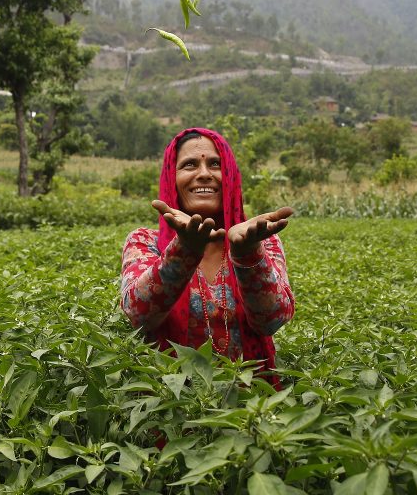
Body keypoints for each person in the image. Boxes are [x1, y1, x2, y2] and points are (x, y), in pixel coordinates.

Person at [120, 127, 294, 388]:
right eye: (189, 165)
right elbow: (139, 315)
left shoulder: (261, 241)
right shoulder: (145, 242)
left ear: (231, 176)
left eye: (216, 164)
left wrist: (247, 254)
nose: (204, 174)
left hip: (248, 406)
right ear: (171, 177)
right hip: (169, 408)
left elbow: (272, 320)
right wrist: (184, 250)